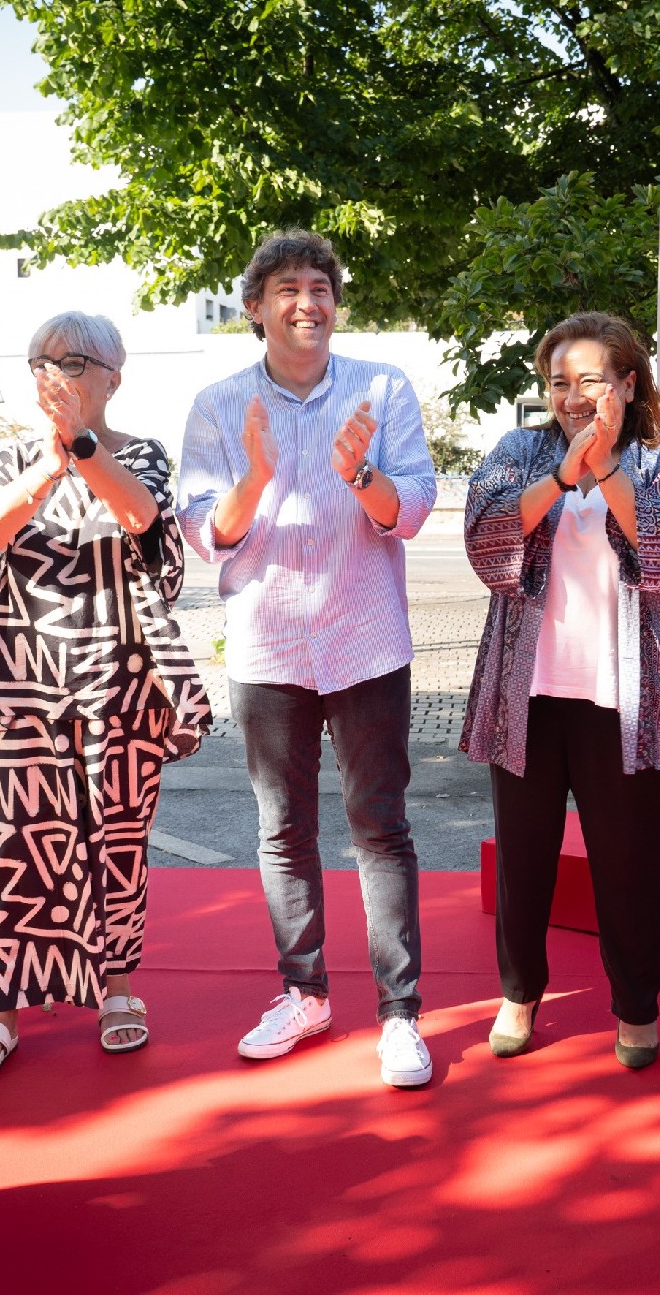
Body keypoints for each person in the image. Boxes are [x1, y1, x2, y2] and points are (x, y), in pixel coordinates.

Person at [174, 228, 438, 1088]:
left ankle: (400, 1015)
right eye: (287, 287)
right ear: (254, 308)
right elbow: (206, 534)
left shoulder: (384, 387)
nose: (307, 301)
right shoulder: (218, 403)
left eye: (320, 286)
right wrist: (255, 477)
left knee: (380, 824)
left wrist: (361, 477)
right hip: (268, 641)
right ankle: (305, 994)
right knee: (282, 831)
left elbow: (416, 507)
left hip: (366, 638)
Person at [0, 311, 211, 1083]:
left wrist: (84, 450)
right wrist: (48, 465)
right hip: (30, 682)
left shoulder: (143, 456)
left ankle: (116, 988)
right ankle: (1, 1008)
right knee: (22, 848)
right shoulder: (13, 458)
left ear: (112, 377)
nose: (51, 372)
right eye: (39, 360)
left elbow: (142, 519)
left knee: (117, 843)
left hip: (121, 684)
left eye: (70, 359)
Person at [462, 311, 660, 1067]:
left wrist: (603, 468)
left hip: (623, 702)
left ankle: (635, 1008)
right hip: (526, 695)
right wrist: (564, 474)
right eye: (559, 382)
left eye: (591, 380)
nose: (573, 396)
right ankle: (519, 994)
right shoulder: (519, 451)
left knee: (628, 865)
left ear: (628, 386)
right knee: (524, 861)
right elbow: (486, 538)